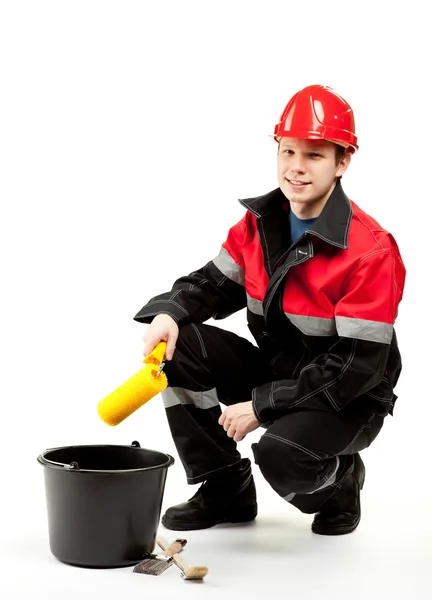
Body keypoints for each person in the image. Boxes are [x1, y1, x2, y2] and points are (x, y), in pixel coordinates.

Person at [133, 84, 406, 536]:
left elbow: (356, 367)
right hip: (281, 371)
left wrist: (261, 406)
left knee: (282, 455)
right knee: (175, 347)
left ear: (343, 162)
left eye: (315, 155)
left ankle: (340, 482)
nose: (296, 167)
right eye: (288, 151)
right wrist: (170, 312)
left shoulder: (370, 252)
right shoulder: (259, 224)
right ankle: (224, 488)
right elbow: (211, 285)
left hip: (348, 397)